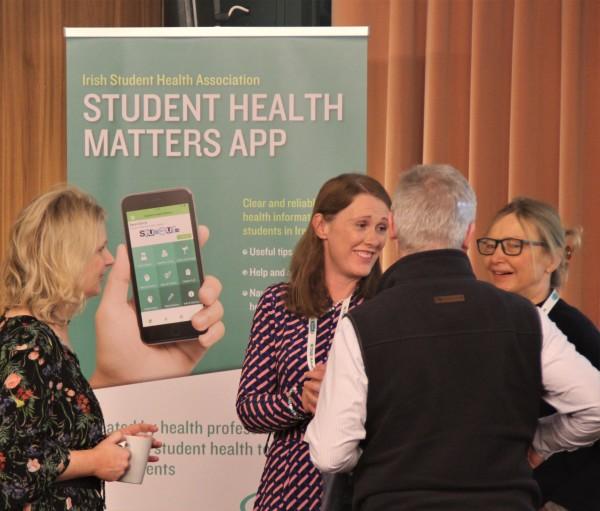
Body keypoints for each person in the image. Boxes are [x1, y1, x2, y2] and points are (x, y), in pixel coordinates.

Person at [305, 164, 600, 511]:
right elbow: (595, 405)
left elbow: (330, 454)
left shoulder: (361, 324)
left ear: (394, 227)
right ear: (469, 232)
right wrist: (539, 442)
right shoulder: (527, 318)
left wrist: (377, 457)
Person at [0, 186, 224, 509]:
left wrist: (103, 447)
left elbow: (44, 438)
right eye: (99, 249)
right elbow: (11, 464)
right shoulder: (27, 343)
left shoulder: (41, 339)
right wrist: (94, 461)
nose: (108, 260)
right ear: (67, 257)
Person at [236, 173, 391, 511]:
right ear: (322, 226)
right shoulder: (278, 303)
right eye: (361, 225)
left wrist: (352, 395)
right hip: (286, 490)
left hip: (363, 488)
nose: (373, 239)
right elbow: (249, 408)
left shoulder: (387, 306)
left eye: (381, 228)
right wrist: (300, 401)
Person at [478, 197, 600, 511]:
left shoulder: (576, 333)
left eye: (514, 246)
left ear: (553, 259)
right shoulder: (485, 323)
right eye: (491, 245)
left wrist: (561, 503)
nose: (496, 258)